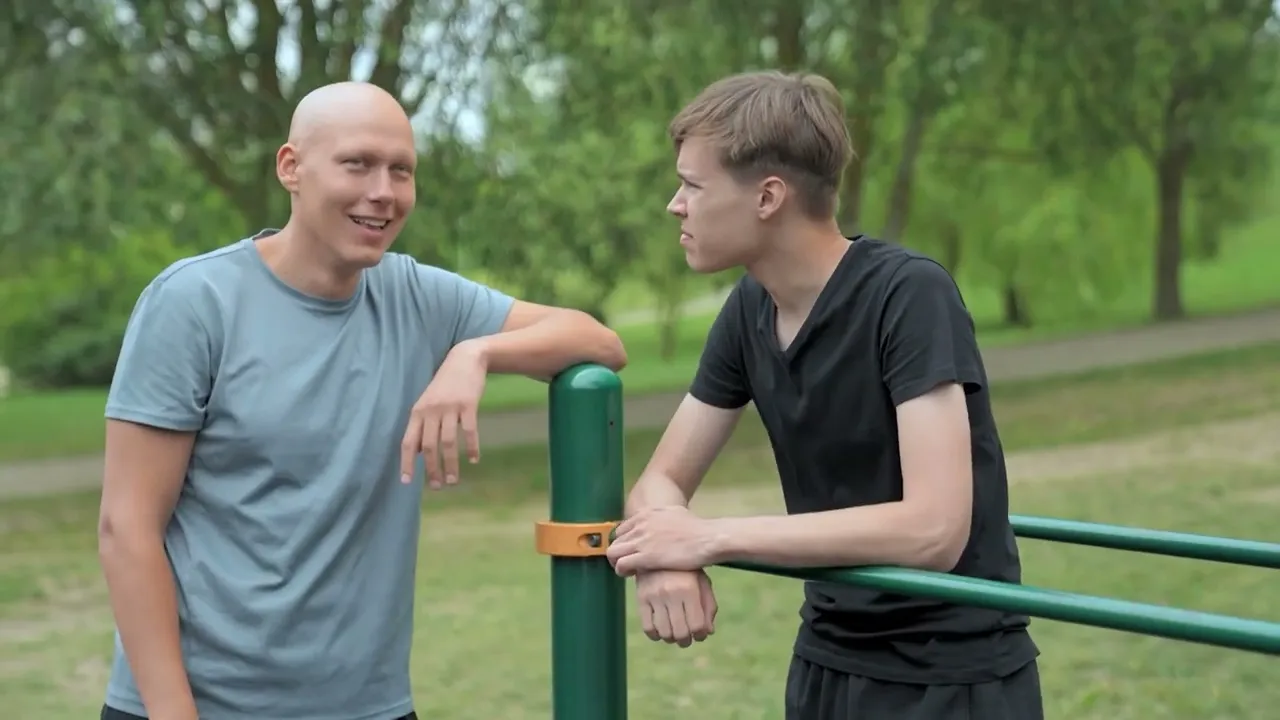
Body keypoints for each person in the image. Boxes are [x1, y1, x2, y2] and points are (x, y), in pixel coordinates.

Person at [96, 81, 627, 720]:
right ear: (291, 167)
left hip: (369, 706)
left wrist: (475, 353)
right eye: (358, 164)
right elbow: (128, 528)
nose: (383, 192)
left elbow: (599, 342)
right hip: (199, 705)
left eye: (401, 170)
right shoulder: (194, 302)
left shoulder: (417, 297)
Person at [604, 71, 1044, 719]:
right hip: (826, 663)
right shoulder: (749, 309)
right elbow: (659, 483)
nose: (676, 204)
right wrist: (665, 561)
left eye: (693, 185)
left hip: (950, 676)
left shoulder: (909, 295)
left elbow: (934, 531)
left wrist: (710, 538)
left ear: (767, 197)